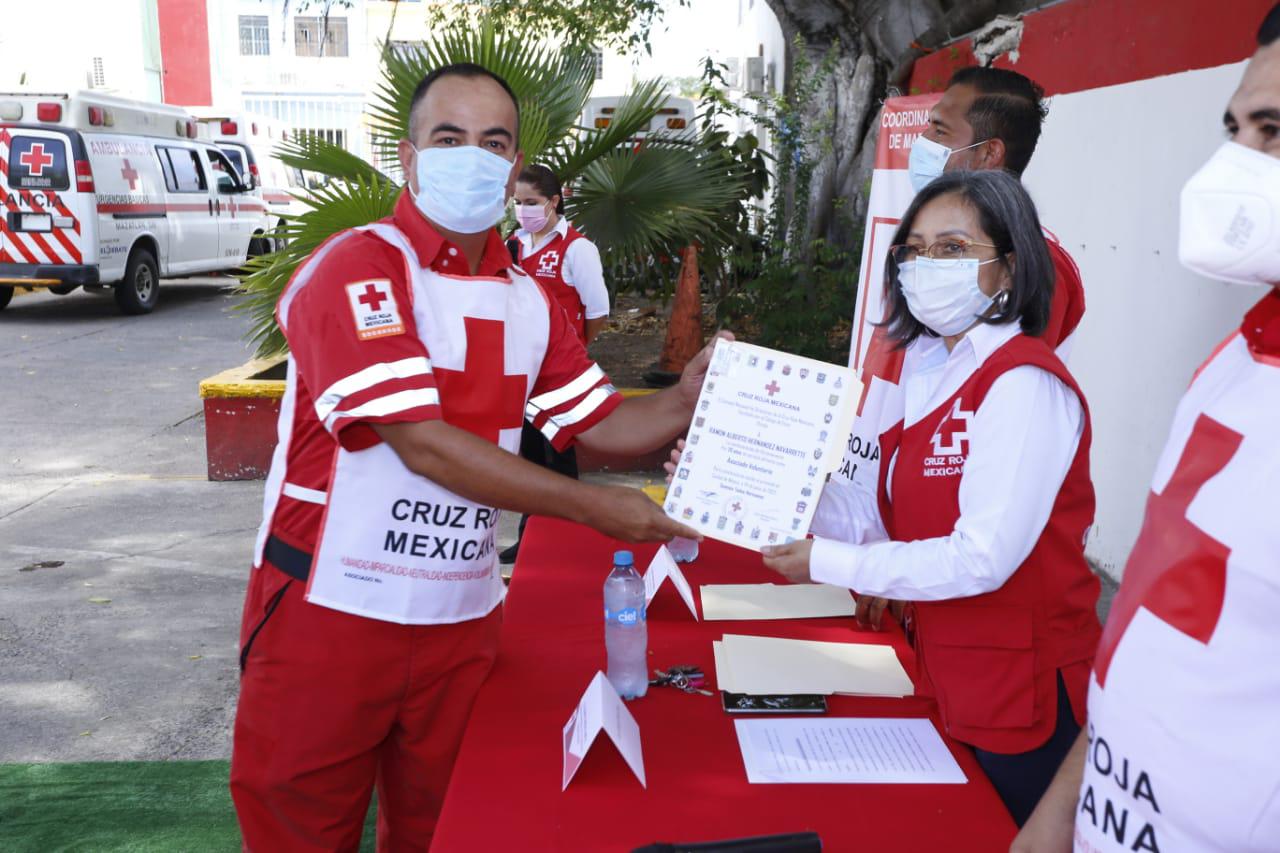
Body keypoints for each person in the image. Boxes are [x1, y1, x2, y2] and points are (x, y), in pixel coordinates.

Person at [229, 63, 718, 851]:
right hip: (331, 610)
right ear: (408, 155)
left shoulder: (529, 300)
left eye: (493, 142)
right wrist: (597, 508)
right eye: (448, 137)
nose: (472, 156)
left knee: (445, 829)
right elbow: (421, 442)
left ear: (515, 164)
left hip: (461, 614)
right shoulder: (360, 265)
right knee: (300, 829)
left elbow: (598, 424)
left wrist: (690, 397)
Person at [1012, 8, 1280, 851]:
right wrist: (1061, 813)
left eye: (1273, 132)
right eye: (1235, 130)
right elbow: (1151, 632)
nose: (1234, 166)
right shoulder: (1240, 359)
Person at [760, 170, 1102, 827]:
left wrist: (826, 563)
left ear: (1009, 268)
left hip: (1026, 691)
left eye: (953, 248)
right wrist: (774, 488)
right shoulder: (933, 372)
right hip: (954, 673)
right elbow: (880, 515)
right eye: (915, 250)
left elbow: (981, 557)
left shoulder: (1023, 383)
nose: (926, 266)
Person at [827, 64, 1088, 630]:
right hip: (908, 536)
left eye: (939, 132)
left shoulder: (1034, 271)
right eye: (920, 249)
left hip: (975, 592)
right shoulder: (932, 267)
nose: (921, 143)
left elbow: (975, 447)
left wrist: (892, 566)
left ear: (988, 153)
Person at [500, 164, 610, 564]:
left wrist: (573, 349)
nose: (523, 210)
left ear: (553, 202)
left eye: (531, 202)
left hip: (561, 376)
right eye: (518, 202)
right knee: (530, 460)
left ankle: (566, 543)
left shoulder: (577, 249)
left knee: (559, 458)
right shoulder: (513, 245)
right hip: (521, 371)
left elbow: (597, 311)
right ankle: (531, 539)